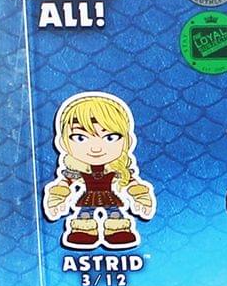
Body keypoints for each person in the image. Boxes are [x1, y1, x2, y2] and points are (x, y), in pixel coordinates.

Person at [43, 91, 155, 248]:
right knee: (84, 216)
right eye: (80, 137)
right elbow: (65, 183)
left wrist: (141, 197)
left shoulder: (117, 168)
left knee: (114, 215)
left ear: (128, 141)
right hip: (88, 197)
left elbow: (130, 182)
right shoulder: (77, 168)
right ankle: (83, 232)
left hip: (110, 197)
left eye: (110, 137)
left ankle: (117, 232)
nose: (96, 148)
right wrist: (57, 198)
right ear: (63, 143)